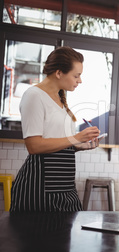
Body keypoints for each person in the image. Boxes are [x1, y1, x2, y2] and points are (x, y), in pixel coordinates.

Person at [10, 46, 101, 212]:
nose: (79, 81)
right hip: (40, 188)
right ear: (59, 73)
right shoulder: (34, 95)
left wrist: (77, 146)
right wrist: (75, 138)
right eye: (76, 75)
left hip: (65, 187)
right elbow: (34, 146)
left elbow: (55, 140)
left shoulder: (60, 100)